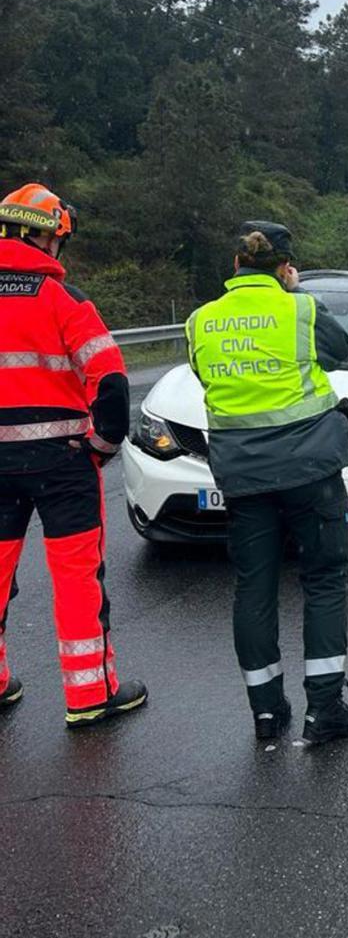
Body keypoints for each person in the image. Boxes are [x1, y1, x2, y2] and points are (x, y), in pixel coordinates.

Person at [186, 221, 348, 745]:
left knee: (254, 590)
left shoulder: (201, 322)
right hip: (311, 471)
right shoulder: (301, 309)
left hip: (243, 477)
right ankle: (325, 709)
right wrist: (296, 292)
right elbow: (344, 349)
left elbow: (206, 377)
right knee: (325, 581)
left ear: (235, 265)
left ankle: (267, 713)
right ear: (285, 267)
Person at [0, 183, 147, 727]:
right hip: (62, 464)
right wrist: (100, 447)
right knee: (76, 578)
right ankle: (89, 696)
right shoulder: (64, 299)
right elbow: (109, 382)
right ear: (46, 236)